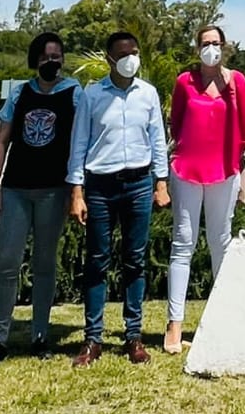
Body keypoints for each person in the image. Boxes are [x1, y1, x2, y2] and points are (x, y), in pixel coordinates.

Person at [68, 30, 170, 366]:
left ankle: (133, 336)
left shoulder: (148, 94)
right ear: (109, 59)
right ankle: (93, 338)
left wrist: (161, 183)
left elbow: (157, 138)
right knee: (98, 260)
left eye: (135, 52)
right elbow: (79, 143)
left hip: (139, 183)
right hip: (100, 186)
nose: (131, 58)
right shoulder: (93, 95)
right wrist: (77, 191)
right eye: (123, 53)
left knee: (135, 260)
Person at [0, 30, 82, 364]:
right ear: (35, 60)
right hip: (16, 189)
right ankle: (0, 337)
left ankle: (39, 334)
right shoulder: (20, 93)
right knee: (7, 264)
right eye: (45, 57)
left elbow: (81, 138)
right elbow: (2, 140)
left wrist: (76, 188)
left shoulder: (73, 92)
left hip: (54, 190)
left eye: (56, 56)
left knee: (44, 264)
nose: (51, 62)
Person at [164, 24, 245, 354]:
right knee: (183, 242)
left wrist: (237, 164)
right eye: (205, 43)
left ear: (225, 47)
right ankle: (175, 324)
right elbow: (175, 121)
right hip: (187, 169)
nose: (211, 49)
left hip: (224, 170)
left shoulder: (237, 82)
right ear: (197, 48)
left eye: (216, 43)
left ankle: (223, 317)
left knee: (220, 241)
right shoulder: (184, 82)